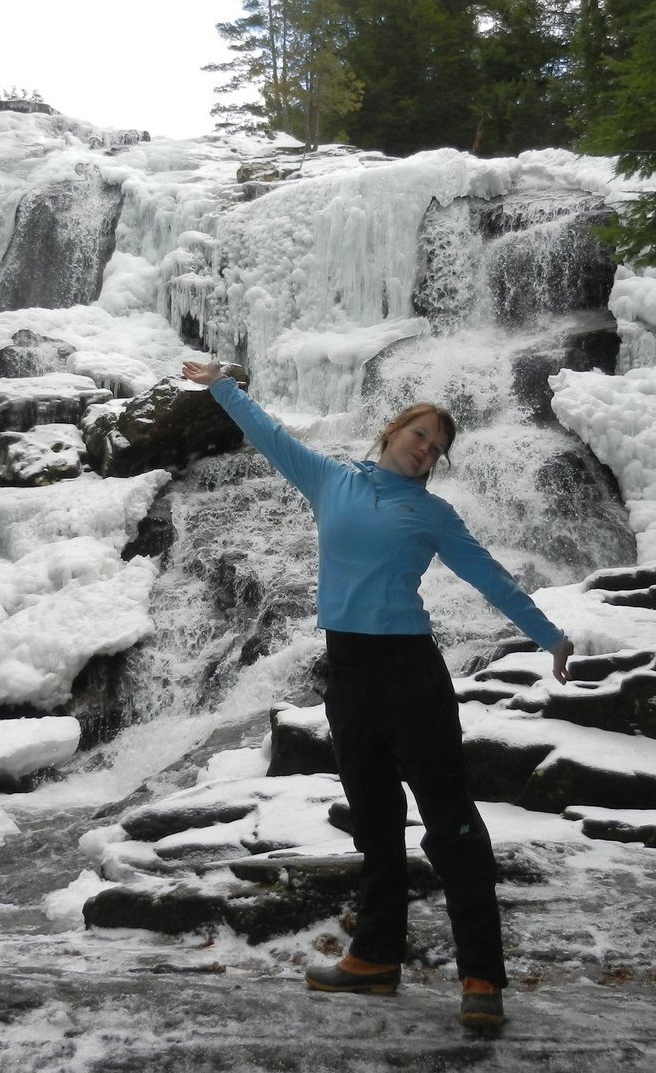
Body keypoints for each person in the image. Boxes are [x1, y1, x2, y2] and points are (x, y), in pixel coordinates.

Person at [180, 358, 574, 1029]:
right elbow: (269, 434)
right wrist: (220, 384)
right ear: (392, 432)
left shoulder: (432, 513)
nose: (426, 449)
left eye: (437, 448)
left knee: (449, 821)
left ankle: (481, 975)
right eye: (420, 435)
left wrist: (549, 636)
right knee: (376, 821)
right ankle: (375, 959)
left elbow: (490, 578)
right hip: (349, 674)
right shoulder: (329, 479)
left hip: (410, 673)